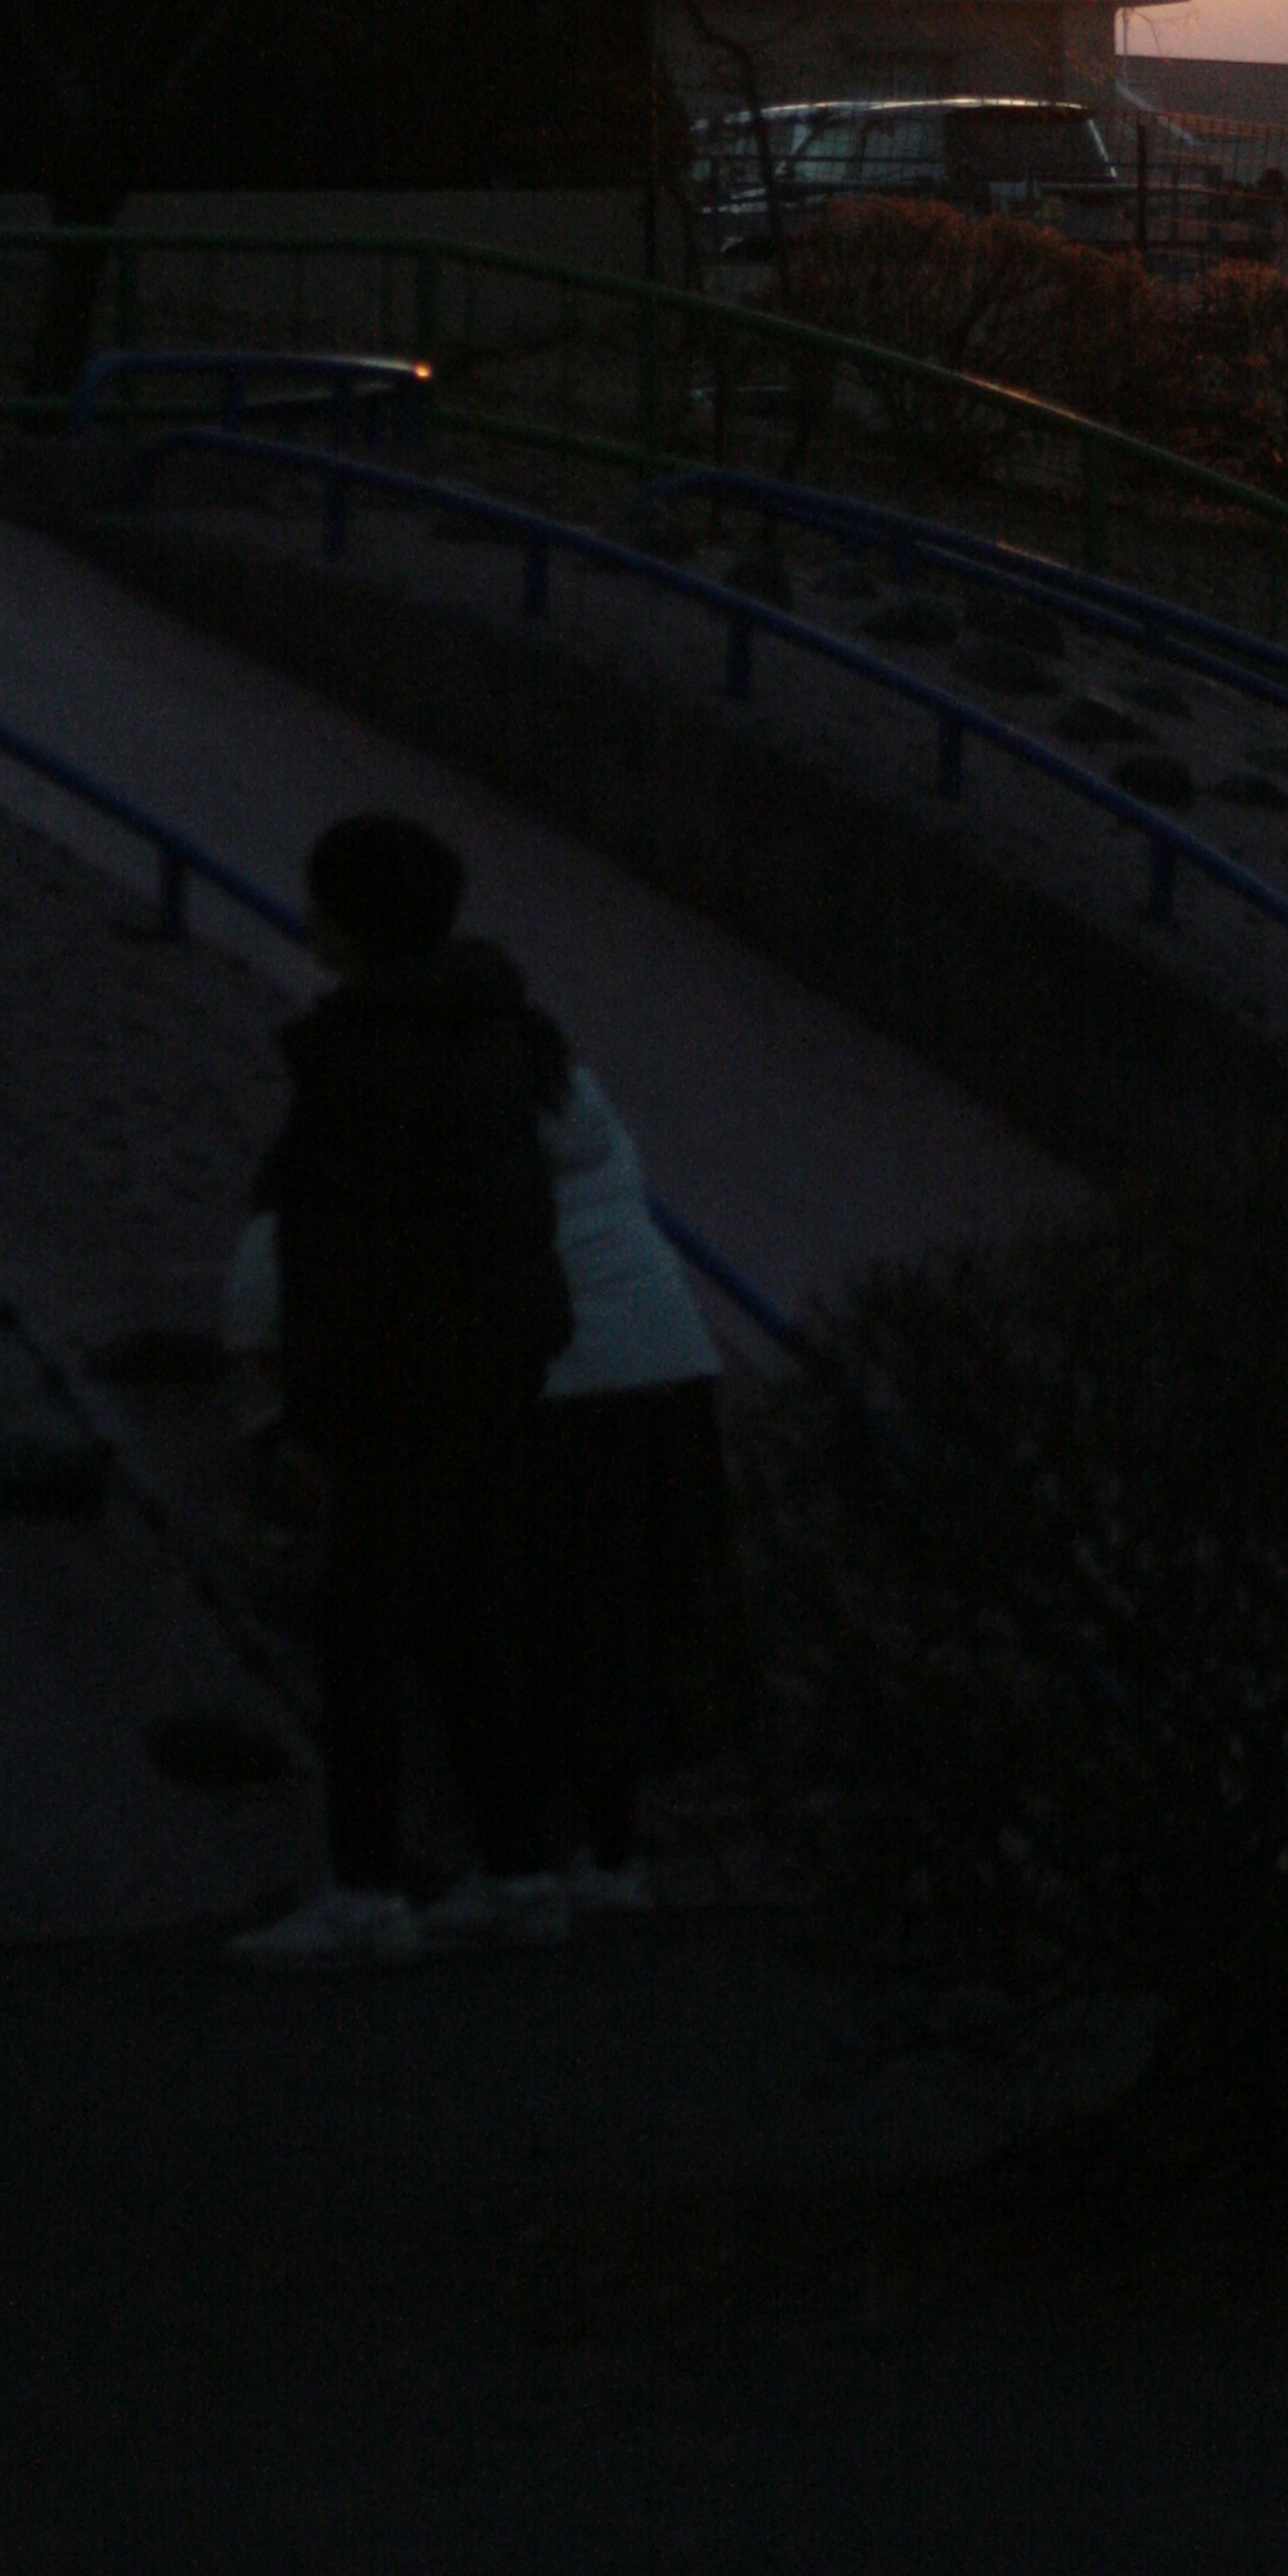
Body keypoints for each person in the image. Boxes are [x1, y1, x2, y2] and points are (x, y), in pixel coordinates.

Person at [226, 815, 572, 1972]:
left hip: (401, 1369)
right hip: (495, 1353)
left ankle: (366, 1890)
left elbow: (339, 1250)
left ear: (353, 922)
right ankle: (521, 1868)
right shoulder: (490, 1027)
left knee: (363, 1625)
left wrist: (307, 1408)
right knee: (469, 1614)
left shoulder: (362, 1053)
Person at [525, 1015, 743, 1908]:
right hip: (670, 1356)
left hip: (572, 1382)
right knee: (657, 1604)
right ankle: (634, 1838)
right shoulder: (591, 1111)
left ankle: (593, 1845)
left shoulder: (484, 1129)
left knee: (581, 1614)